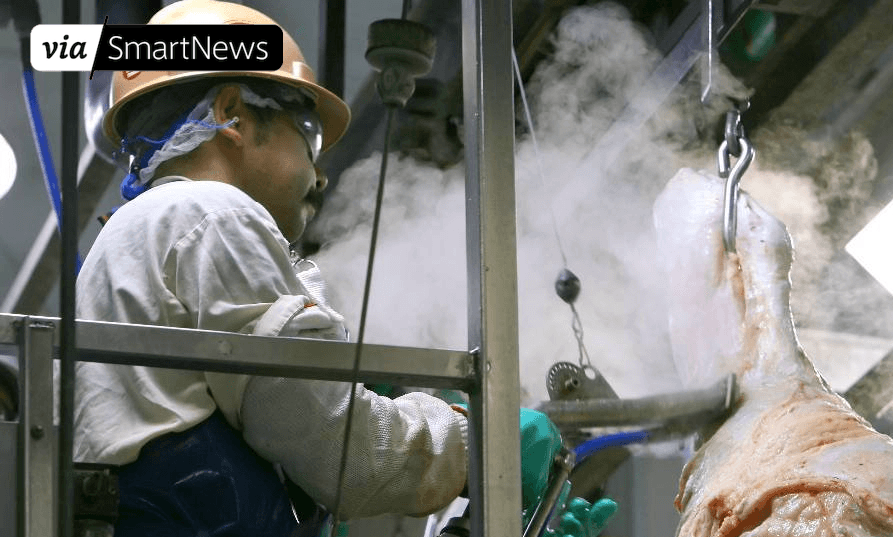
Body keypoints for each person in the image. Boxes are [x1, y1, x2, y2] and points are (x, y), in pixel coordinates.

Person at [74, 1, 609, 536]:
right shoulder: (209, 213)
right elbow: (343, 449)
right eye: (308, 132)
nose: (320, 173)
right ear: (230, 112)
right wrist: (481, 443)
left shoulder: (143, 238)